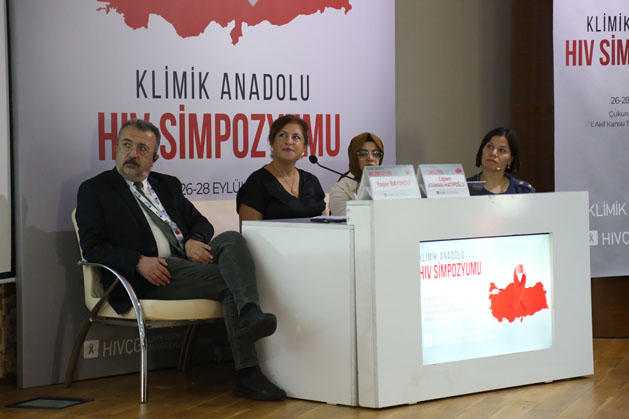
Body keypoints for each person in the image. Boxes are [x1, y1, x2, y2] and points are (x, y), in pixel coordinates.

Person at [76, 119, 285, 401]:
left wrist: (192, 240)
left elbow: (201, 223)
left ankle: (249, 312)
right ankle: (248, 371)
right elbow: (92, 247)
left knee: (232, 240)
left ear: (155, 157)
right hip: (149, 274)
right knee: (231, 280)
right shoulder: (95, 190)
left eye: (142, 148)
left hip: (187, 263)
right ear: (116, 148)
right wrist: (138, 261)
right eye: (126, 145)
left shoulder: (166, 185)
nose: (132, 153)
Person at [237, 115, 325, 224]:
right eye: (282, 135)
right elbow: (249, 232)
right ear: (272, 142)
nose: (289, 141)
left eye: (296, 137)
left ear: (304, 147)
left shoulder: (312, 182)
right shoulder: (257, 183)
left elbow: (327, 225)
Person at [329, 132, 384, 216]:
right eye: (363, 154)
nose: (370, 158)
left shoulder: (387, 184)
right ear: (354, 157)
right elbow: (349, 220)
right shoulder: (340, 189)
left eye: (375, 153)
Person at [467, 127, 535, 194]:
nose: (493, 153)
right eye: (489, 146)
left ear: (511, 159)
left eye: (502, 150)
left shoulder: (523, 191)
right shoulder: (465, 188)